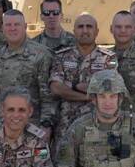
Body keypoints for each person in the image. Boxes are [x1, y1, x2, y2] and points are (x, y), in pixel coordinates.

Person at [49, 12, 115, 147]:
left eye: (89, 27)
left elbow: (108, 88)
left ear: (96, 31)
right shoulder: (61, 56)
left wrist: (71, 87)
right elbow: (56, 88)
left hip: (97, 129)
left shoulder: (108, 58)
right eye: (80, 27)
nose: (85, 30)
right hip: (65, 128)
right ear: (74, 31)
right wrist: (89, 96)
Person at [0, 9, 56, 137]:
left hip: (31, 128)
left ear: (25, 27)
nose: (12, 28)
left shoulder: (41, 55)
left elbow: (48, 96)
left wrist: (46, 125)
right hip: (2, 128)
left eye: (17, 24)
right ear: (3, 28)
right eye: (8, 25)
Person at [108, 10, 135, 120]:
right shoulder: (105, 57)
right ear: (111, 29)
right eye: (118, 27)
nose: (123, 31)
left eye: (127, 27)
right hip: (108, 120)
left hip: (134, 121)